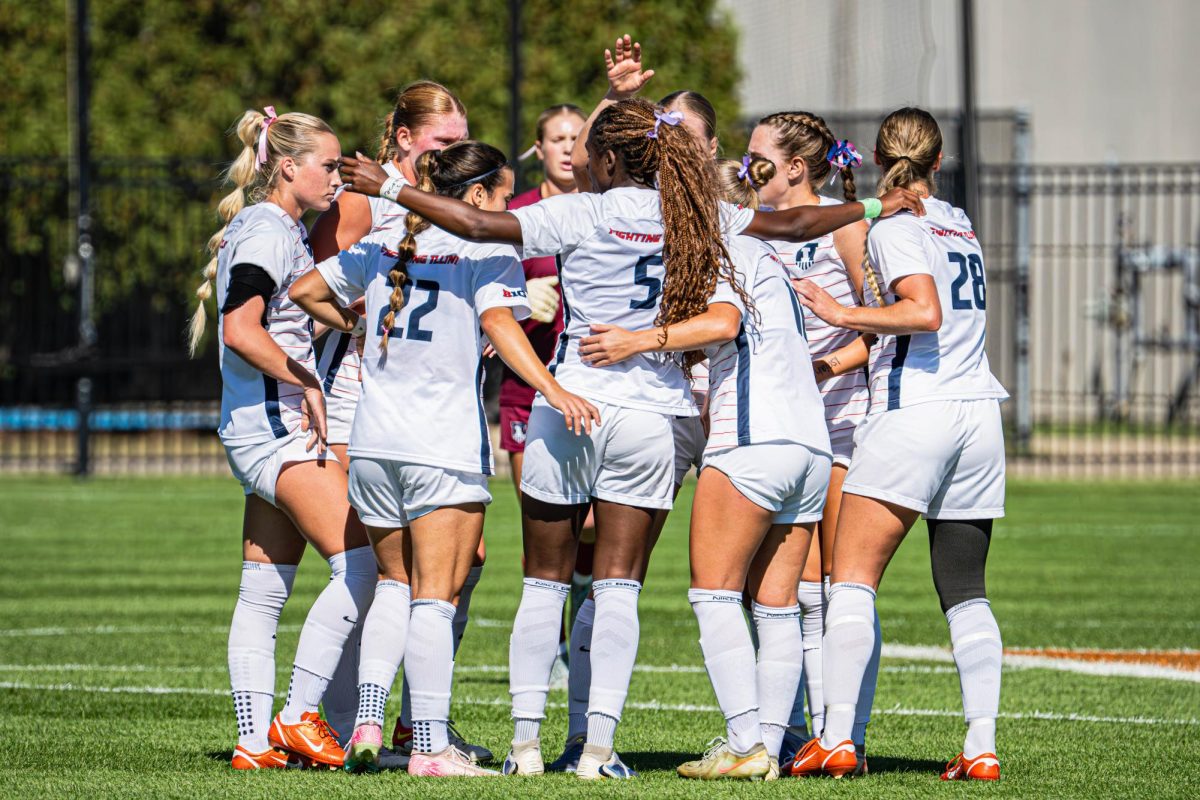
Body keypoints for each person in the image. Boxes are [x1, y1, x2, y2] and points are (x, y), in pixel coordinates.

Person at [338, 43, 922, 782]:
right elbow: (795, 228)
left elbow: (478, 226)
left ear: (606, 161)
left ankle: (524, 745)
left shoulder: (579, 212)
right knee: (617, 586)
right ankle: (600, 751)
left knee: (545, 584)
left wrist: (392, 189)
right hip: (653, 413)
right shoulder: (699, 214)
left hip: (573, 401)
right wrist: (875, 203)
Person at [290, 141, 600, 777]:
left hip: (373, 442)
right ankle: (430, 748)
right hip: (440, 445)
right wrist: (553, 388)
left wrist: (354, 325)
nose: (510, 206)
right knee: (435, 597)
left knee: (394, 585)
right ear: (479, 197)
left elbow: (303, 289)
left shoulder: (386, 242)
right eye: (506, 194)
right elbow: (505, 330)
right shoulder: (486, 248)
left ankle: (369, 723)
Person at [578, 156, 831, 781]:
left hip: (753, 437)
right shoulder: (768, 253)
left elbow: (724, 321)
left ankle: (745, 741)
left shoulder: (724, 247)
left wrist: (636, 340)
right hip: (810, 445)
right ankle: (766, 748)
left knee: (713, 592)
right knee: (776, 605)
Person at [789, 108, 1007, 781]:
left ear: (881, 161)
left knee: (849, 579)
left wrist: (839, 313)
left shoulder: (898, 226)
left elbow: (923, 312)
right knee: (966, 589)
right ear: (938, 163)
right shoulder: (959, 222)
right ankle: (980, 747)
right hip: (980, 417)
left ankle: (835, 737)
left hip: (918, 411)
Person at [186, 107, 375, 770]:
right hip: (277, 431)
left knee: (263, 590)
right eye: (328, 164)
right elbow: (241, 329)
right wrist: (309, 382)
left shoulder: (277, 228)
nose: (336, 177)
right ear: (288, 166)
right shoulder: (269, 228)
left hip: (259, 429)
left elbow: (282, 324)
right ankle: (297, 715)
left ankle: (251, 741)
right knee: (363, 563)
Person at [309, 81, 490, 766]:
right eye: (443, 143)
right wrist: (356, 324)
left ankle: (410, 720)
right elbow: (313, 285)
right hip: (364, 398)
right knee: (377, 567)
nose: (455, 153)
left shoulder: (455, 210)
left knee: (457, 562)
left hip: (429, 404)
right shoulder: (365, 201)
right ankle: (337, 717)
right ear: (406, 141)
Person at [748, 110, 878, 772]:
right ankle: (800, 729)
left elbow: (877, 327)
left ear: (796, 167)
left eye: (757, 159)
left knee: (831, 582)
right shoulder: (758, 225)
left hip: (837, 417)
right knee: (781, 583)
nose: (747, 170)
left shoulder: (844, 223)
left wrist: (824, 365)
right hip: (777, 423)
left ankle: (841, 729)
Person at [505, 104, 595, 689]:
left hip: (593, 388)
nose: (567, 148)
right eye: (557, 140)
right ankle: (556, 649)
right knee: (544, 524)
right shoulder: (518, 214)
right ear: (539, 150)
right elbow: (482, 286)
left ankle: (583, 635)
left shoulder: (605, 209)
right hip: (527, 391)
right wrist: (521, 296)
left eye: (576, 138)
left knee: (591, 532)